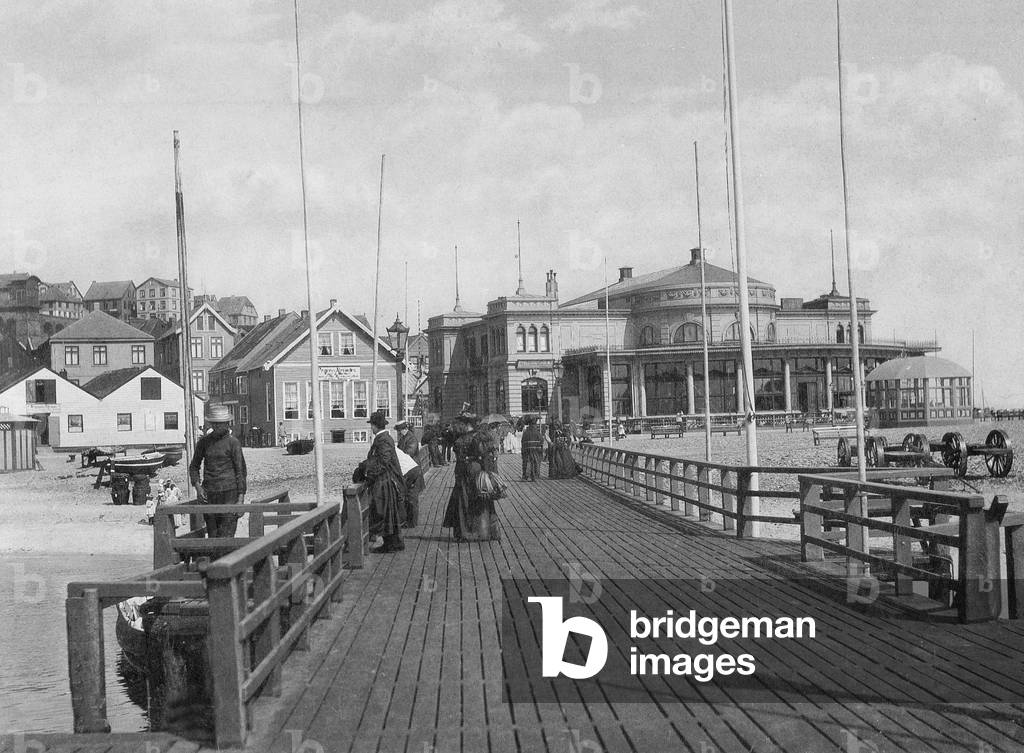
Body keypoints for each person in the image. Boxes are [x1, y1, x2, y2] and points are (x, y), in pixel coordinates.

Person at [189, 403, 247, 537]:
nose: (217, 426)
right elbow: (194, 466)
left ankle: (227, 558)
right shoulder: (204, 442)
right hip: (209, 493)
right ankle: (214, 558)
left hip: (230, 493)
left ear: (227, 424)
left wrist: (240, 499)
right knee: (213, 535)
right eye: (214, 423)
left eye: (220, 424)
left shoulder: (233, 443)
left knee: (226, 535)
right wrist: (198, 487)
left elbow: (241, 472)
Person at [442, 412, 501, 542]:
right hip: (476, 470)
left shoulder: (462, 438)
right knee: (482, 499)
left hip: (465, 472)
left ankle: (465, 533)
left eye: (462, 423)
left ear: (467, 424)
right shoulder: (478, 436)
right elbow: (486, 455)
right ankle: (485, 531)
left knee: (463, 502)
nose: (459, 425)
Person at [355, 409, 405, 553]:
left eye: (372, 425)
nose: (371, 427)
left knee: (383, 511)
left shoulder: (383, 440)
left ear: (375, 426)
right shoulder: (384, 438)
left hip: (385, 480)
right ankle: (394, 543)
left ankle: (391, 544)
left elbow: (383, 461)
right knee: (389, 512)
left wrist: (369, 475)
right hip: (385, 479)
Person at [395, 445, 424, 528]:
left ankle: (410, 523)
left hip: (411, 473)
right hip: (414, 470)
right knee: (411, 498)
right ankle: (410, 522)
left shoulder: (388, 451)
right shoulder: (395, 449)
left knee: (409, 498)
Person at [521, 416, 544, 481]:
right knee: (535, 462)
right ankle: (534, 476)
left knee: (527, 462)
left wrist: (523, 451)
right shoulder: (537, 432)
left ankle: (526, 476)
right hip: (536, 450)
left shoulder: (526, 432)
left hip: (527, 450)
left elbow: (523, 442)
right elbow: (541, 441)